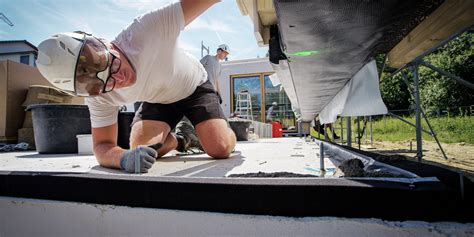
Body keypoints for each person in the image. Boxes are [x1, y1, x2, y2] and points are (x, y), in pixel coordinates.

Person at [35, 0, 236, 174]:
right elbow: (102, 146)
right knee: (141, 149)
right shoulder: (98, 97)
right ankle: (182, 140)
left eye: (112, 64)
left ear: (105, 44)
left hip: (193, 86)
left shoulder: (146, 29)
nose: (120, 77)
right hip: (158, 99)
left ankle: (225, 131)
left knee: (219, 148)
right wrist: (123, 159)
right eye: (108, 83)